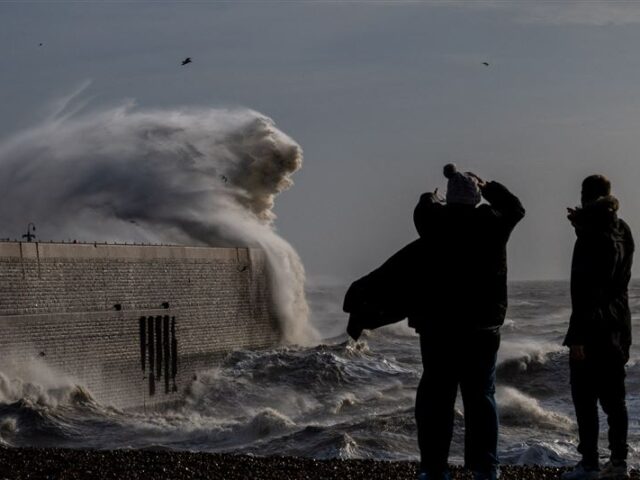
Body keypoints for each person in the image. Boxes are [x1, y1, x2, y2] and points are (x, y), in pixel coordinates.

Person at [411, 164, 525, 480]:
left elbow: (423, 207)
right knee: (480, 399)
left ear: (449, 200)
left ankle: (433, 469)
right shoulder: (492, 223)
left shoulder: (433, 222)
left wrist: (432, 195)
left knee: (436, 398)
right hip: (482, 328)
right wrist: (488, 185)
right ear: (476, 199)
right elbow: (516, 208)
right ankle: (485, 468)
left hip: (439, 328)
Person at [562, 175, 634, 480]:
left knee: (585, 399)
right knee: (615, 399)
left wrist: (576, 336)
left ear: (585, 197)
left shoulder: (593, 237)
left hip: (592, 328)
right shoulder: (622, 229)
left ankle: (589, 464)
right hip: (618, 325)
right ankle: (618, 461)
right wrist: (582, 225)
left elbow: (587, 290)